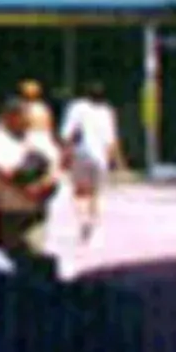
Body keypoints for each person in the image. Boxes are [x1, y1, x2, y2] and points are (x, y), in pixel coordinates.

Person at [0, 94, 66, 279]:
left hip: (35, 211)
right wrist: (27, 190)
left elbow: (55, 165)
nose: (24, 119)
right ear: (8, 117)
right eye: (19, 115)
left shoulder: (40, 139)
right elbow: (3, 170)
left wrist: (45, 186)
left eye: (25, 115)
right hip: (8, 210)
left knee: (35, 255)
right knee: (7, 262)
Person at [58, 81, 124, 244]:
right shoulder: (106, 111)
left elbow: (67, 134)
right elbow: (111, 140)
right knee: (96, 193)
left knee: (80, 192)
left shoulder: (77, 107)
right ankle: (94, 226)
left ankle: (83, 222)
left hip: (81, 153)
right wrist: (116, 161)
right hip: (100, 156)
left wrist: (65, 155)